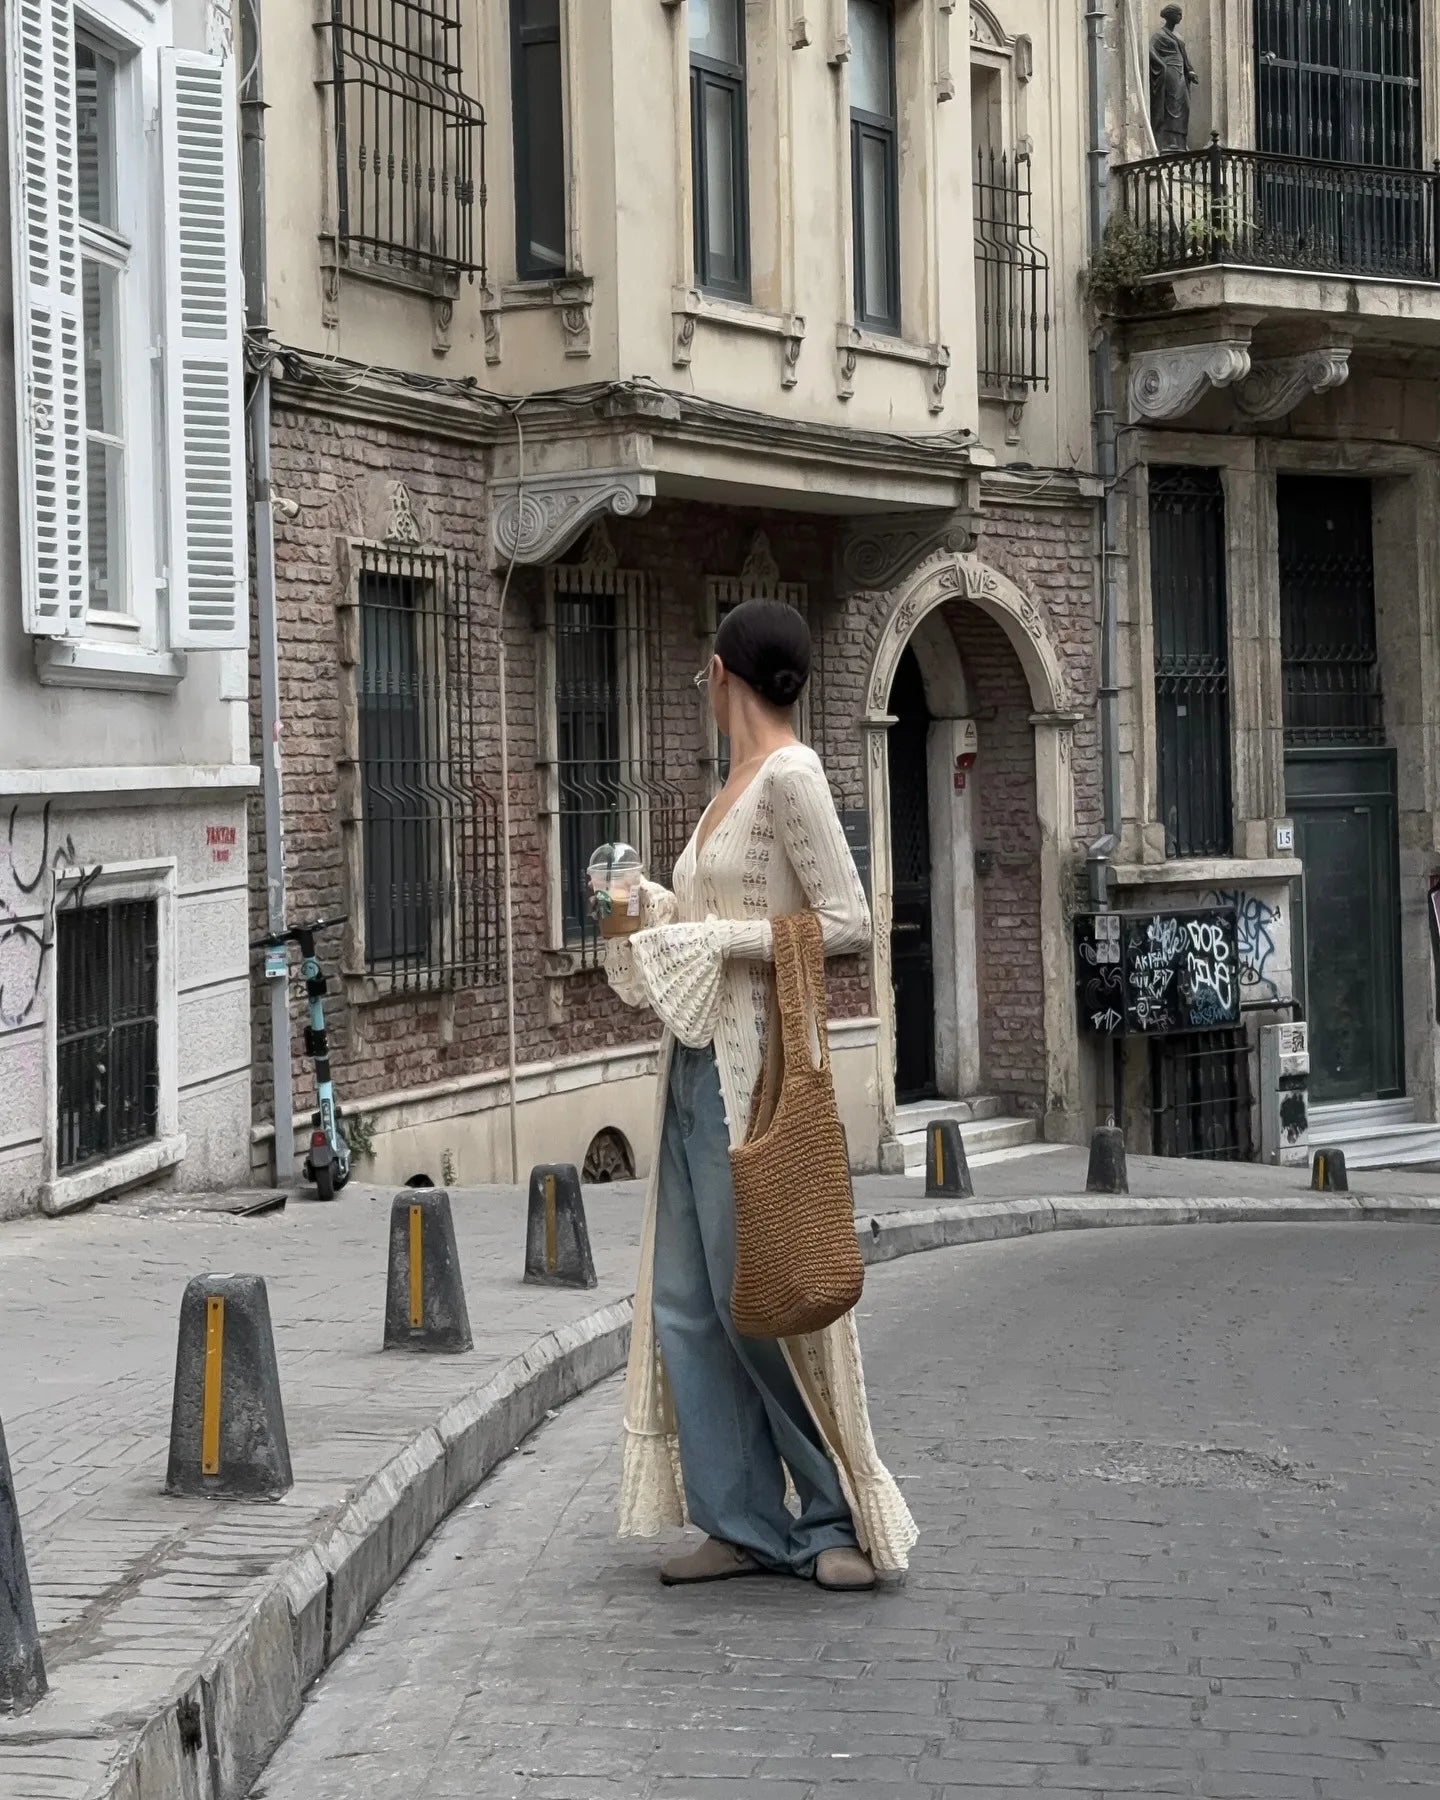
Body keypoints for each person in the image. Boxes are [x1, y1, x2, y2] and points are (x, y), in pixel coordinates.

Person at [601, 598, 916, 1592]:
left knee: (765, 1301)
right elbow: (715, 912)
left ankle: (831, 1518)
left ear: (720, 671)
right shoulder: (726, 789)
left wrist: (718, 940)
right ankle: (738, 1523)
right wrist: (651, 907)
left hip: (760, 1079)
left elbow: (849, 918)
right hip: (692, 1070)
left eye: (706, 675)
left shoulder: (791, 774)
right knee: (688, 1306)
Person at [1149, 4, 1198, 153]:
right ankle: (1168, 143)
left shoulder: (1178, 36)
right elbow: (1150, 51)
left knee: (1184, 106)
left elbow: (1184, 57)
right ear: (1170, 15)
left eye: (1181, 14)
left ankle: (1180, 142)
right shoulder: (1159, 35)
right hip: (1169, 72)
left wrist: (1190, 70)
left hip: (1181, 73)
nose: (1180, 17)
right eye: (1178, 14)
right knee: (1171, 106)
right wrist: (1161, 65)